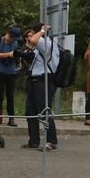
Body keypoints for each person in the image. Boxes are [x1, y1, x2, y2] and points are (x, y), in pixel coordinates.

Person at [22, 22, 60, 151]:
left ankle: (51, 141)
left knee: (44, 111)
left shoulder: (46, 43)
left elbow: (33, 39)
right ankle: (34, 141)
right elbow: (30, 47)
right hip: (35, 81)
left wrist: (43, 30)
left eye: (33, 33)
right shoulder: (41, 45)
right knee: (30, 112)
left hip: (44, 81)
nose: (30, 37)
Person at [0, 27, 21, 126]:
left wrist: (6, 55)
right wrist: (8, 54)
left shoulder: (16, 43)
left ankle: (11, 118)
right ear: (9, 35)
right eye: (12, 38)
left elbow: (16, 55)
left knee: (10, 96)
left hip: (11, 72)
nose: (13, 40)